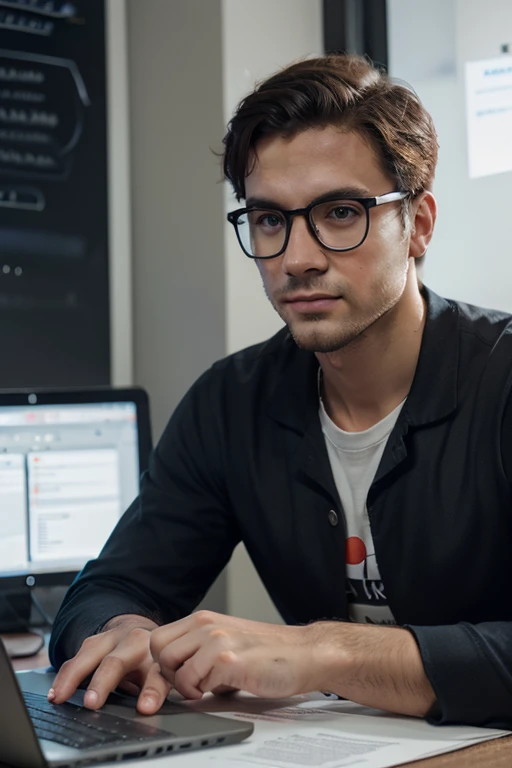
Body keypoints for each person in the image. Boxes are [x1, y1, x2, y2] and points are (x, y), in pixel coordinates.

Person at [49, 54, 512, 729]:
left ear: (418, 225)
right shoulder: (231, 403)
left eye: (341, 211)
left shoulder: (499, 379)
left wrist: (321, 650)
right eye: (270, 220)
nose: (299, 257)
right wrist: (122, 634)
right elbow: (111, 588)